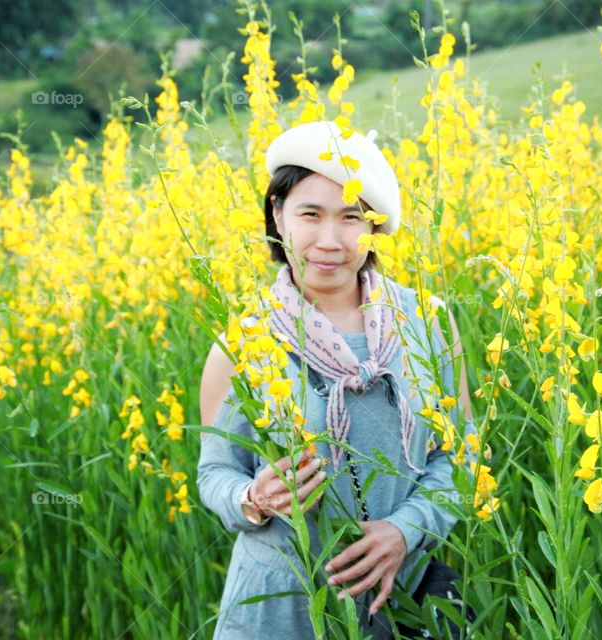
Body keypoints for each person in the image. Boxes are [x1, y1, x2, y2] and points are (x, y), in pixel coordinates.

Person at [197, 121, 478, 639]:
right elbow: (214, 476)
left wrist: (405, 530)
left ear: (373, 228)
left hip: (399, 601)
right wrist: (254, 498)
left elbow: (462, 457)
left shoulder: (427, 321)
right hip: (279, 609)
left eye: (351, 218)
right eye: (310, 214)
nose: (329, 240)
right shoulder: (243, 342)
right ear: (277, 215)